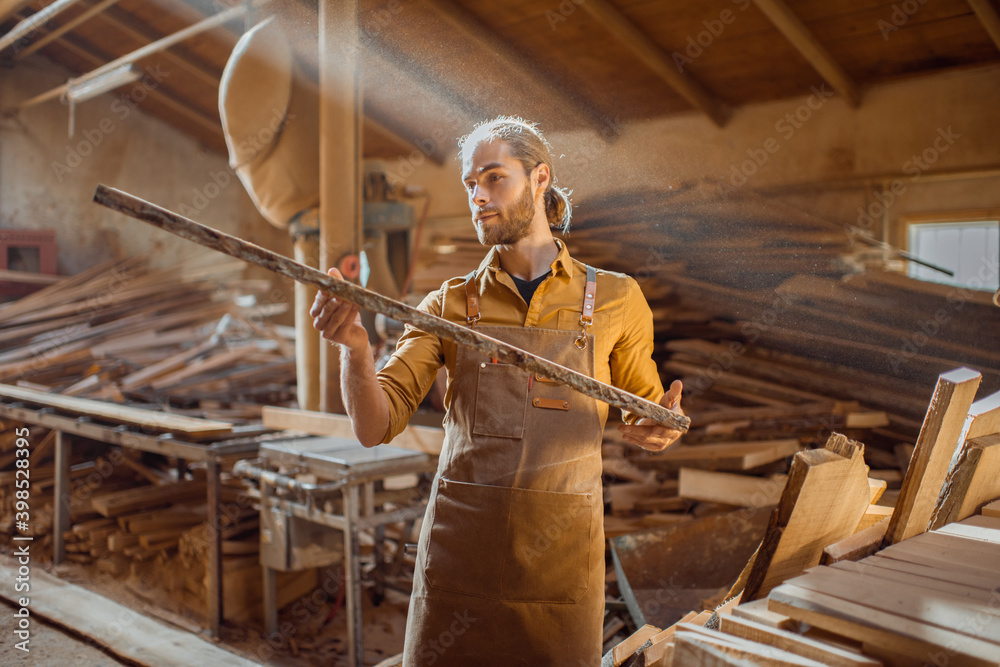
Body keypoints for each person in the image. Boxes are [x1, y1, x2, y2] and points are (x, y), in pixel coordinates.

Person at [311, 116, 683, 666]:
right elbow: (373, 426)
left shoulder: (617, 301)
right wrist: (355, 350)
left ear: (539, 179)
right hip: (461, 561)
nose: (478, 197)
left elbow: (647, 417)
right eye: (470, 185)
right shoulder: (448, 305)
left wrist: (659, 430)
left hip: (560, 565)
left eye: (493, 178)